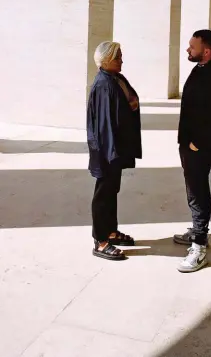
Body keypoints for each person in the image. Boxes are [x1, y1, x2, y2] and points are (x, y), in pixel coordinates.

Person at [175, 30, 211, 272]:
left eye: (192, 47)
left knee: (198, 190)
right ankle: (197, 231)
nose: (188, 50)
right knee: (192, 187)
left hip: (198, 145)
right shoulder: (201, 68)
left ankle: (199, 246)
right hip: (188, 143)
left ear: (206, 51)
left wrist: (197, 142)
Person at [87, 41, 142, 261]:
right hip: (107, 150)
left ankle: (110, 232)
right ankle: (100, 241)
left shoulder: (115, 78)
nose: (122, 60)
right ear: (107, 60)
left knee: (112, 191)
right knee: (103, 194)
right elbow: (103, 124)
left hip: (115, 148)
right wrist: (109, 153)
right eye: (118, 56)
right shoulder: (103, 84)